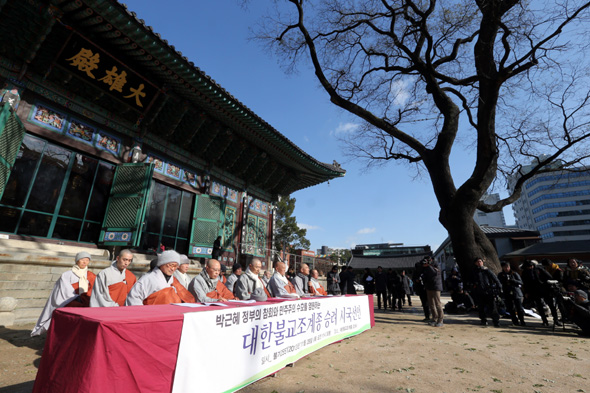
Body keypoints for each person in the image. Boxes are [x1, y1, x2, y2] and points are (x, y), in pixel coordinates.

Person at [32, 252, 97, 336]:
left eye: (87, 260)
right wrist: (78, 297)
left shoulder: (91, 275)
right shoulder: (67, 275)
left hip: (86, 304)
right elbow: (63, 291)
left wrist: (86, 298)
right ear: (77, 260)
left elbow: (94, 290)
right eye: (82, 260)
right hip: (70, 303)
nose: (85, 262)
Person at [126, 250, 195, 306]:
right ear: (162, 264)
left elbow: (185, 296)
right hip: (152, 316)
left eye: (176, 266)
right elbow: (134, 298)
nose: (173, 269)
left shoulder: (173, 280)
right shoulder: (148, 279)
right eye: (171, 265)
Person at [521, 259, 560, 326]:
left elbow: (549, 277)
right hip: (534, 290)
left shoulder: (539, 269)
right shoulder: (525, 272)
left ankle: (556, 320)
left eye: (530, 266)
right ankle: (544, 320)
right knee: (539, 306)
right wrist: (526, 292)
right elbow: (525, 283)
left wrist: (547, 283)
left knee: (551, 305)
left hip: (545, 288)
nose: (530, 267)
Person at [469, 257, 502, 327]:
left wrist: (499, 287)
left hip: (488, 291)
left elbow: (495, 278)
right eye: (477, 262)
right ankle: (483, 320)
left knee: (493, 307)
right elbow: (470, 281)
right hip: (479, 292)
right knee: (481, 307)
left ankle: (496, 321)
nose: (479, 263)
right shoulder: (473, 271)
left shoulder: (487, 270)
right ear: (475, 263)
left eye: (480, 261)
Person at [497, 261, 526, 326]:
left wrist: (513, 280)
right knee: (510, 308)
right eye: (505, 267)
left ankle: (522, 321)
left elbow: (521, 282)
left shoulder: (514, 273)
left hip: (516, 292)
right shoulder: (500, 275)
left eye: (507, 267)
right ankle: (515, 321)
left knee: (519, 308)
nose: (506, 268)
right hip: (507, 293)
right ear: (502, 268)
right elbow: (498, 282)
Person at [423, 259, 444, 327]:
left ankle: (440, 320)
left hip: (436, 287)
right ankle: (434, 319)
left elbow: (434, 273)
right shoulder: (426, 268)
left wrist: (429, 266)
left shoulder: (436, 265)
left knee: (437, 304)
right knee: (431, 304)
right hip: (429, 287)